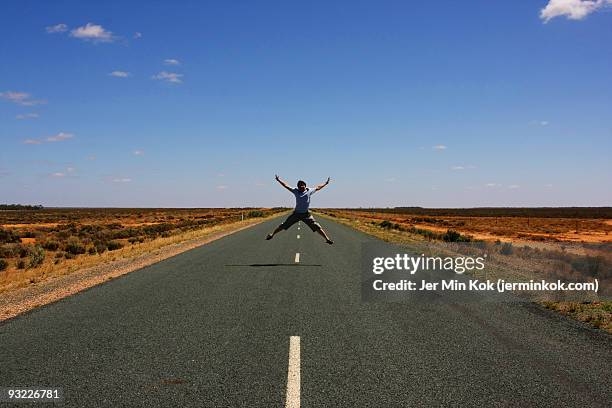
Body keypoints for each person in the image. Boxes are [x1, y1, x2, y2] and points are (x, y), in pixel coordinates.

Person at [266, 175, 334, 244]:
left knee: (316, 226)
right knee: (284, 224)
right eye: (300, 186)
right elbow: (286, 185)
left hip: (306, 214)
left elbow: (318, 187)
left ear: (305, 186)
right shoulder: (295, 191)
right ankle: (272, 234)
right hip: (296, 214)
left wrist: (326, 183)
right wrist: (279, 180)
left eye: (302, 186)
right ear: (298, 187)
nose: (301, 187)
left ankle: (327, 239)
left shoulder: (309, 191)